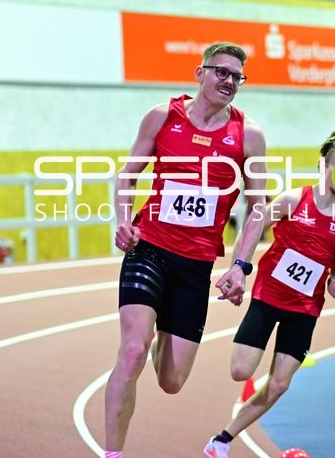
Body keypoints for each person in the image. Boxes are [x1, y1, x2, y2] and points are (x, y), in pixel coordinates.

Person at [104, 42, 267, 458]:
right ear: (200, 73)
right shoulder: (162, 117)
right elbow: (127, 176)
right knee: (132, 350)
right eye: (222, 72)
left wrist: (240, 267)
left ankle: (163, 330)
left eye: (237, 77)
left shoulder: (248, 136)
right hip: (150, 249)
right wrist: (123, 220)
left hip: (196, 265)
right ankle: (112, 454)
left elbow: (257, 207)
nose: (229, 81)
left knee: (171, 381)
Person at [204, 131, 335, 458]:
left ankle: (222, 439)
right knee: (241, 371)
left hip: (304, 309)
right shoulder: (293, 200)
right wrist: (239, 269)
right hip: (268, 297)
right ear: (324, 168)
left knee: (279, 384)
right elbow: (253, 227)